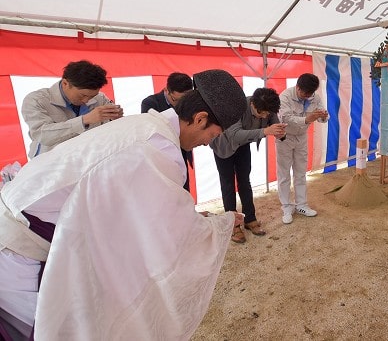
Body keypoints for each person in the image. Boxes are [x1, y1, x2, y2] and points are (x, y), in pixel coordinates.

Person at [0, 69, 247, 340]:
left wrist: (196, 216)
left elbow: (142, 210)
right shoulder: (159, 148)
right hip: (20, 254)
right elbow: (162, 235)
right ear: (200, 119)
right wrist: (220, 224)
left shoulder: (142, 125)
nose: (205, 144)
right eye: (211, 136)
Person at [210, 87, 287, 243]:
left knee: (245, 181)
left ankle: (249, 219)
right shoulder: (236, 105)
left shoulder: (268, 108)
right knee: (228, 185)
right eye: (263, 113)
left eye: (268, 114)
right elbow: (234, 134)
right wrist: (265, 131)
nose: (266, 116)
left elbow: (274, 124)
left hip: (243, 145)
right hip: (224, 146)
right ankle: (233, 224)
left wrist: (280, 133)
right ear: (252, 104)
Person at [21, 60, 123, 158]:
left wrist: (115, 118)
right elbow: (42, 135)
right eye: (82, 95)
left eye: (91, 96)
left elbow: (111, 130)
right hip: (50, 163)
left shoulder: (100, 97)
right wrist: (84, 120)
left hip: (86, 159)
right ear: (65, 83)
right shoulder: (36, 100)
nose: (86, 100)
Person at [276, 73, 329, 224]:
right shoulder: (285, 97)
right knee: (284, 173)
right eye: (305, 93)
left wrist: (323, 116)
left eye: (310, 94)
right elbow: (285, 118)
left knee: (300, 172)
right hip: (285, 137)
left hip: (302, 137)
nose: (307, 97)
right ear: (298, 87)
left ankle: (301, 205)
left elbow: (322, 117)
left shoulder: (314, 96)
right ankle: (286, 207)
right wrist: (307, 119)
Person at [141, 72, 194, 191]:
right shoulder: (150, 103)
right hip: (161, 156)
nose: (180, 104)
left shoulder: (189, 103)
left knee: (184, 190)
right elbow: (152, 131)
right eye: (176, 100)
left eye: (184, 100)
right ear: (167, 90)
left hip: (182, 151)